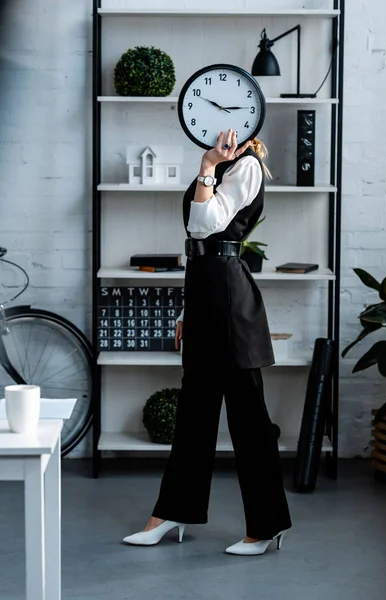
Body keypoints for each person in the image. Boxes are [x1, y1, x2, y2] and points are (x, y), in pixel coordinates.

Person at [122, 128, 292, 556]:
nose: (220, 130)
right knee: (194, 420)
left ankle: (267, 527)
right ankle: (171, 512)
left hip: (232, 307)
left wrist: (206, 167)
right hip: (205, 298)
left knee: (249, 424)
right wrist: (185, 311)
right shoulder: (223, 168)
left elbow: (204, 227)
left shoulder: (246, 167)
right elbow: (201, 254)